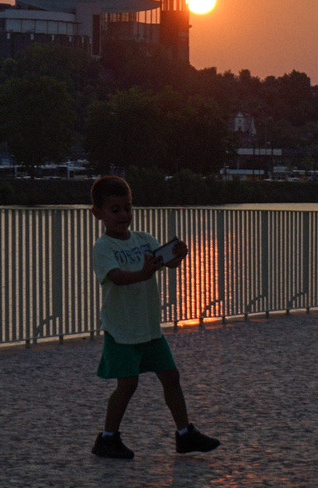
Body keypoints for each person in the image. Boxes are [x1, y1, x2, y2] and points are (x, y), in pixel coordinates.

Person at [89, 174, 220, 461]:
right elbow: (116, 277)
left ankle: (184, 433)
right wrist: (144, 273)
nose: (123, 215)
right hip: (122, 330)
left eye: (127, 208)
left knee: (171, 376)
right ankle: (108, 438)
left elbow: (167, 264)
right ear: (98, 214)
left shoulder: (144, 239)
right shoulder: (104, 247)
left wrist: (178, 255)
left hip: (149, 328)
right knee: (128, 384)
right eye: (115, 210)